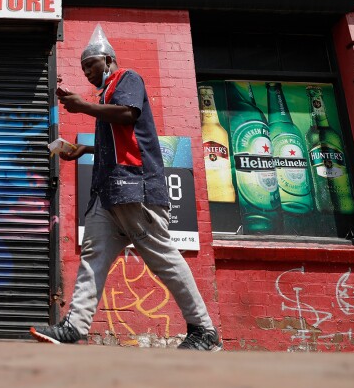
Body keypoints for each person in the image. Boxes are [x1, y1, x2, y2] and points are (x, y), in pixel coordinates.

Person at [30, 26, 222, 351]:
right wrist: (84, 150)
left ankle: (204, 331)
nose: (87, 74)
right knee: (93, 256)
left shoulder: (127, 79)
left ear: (106, 59)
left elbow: (128, 115)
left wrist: (83, 107)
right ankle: (75, 326)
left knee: (163, 257)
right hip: (108, 196)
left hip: (137, 190)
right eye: (82, 69)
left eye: (89, 66)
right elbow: (121, 140)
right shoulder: (105, 96)